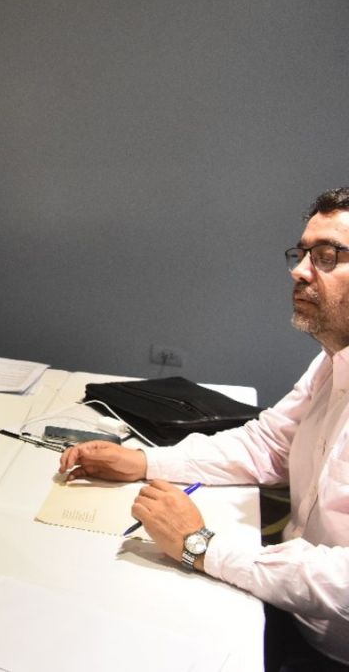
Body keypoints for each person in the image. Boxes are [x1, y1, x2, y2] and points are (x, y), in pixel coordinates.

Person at [59, 187, 349, 670]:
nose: (299, 271)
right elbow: (267, 445)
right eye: (301, 254)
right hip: (287, 606)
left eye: (326, 256)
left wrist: (201, 545)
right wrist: (143, 461)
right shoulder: (333, 360)